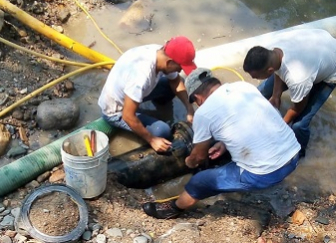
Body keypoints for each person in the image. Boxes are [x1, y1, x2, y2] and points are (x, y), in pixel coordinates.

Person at [142, 67, 300, 219]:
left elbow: (198, 156)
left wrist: (189, 162)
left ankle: (173, 209)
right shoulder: (244, 87)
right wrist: (224, 145)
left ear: (197, 97)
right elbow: (250, 121)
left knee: (201, 180)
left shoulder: (203, 114)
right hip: (293, 154)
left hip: (266, 173)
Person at [243, 29, 336, 157]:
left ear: (269, 70)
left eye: (255, 76)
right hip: (316, 45)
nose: (254, 79)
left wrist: (280, 125)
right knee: (262, 92)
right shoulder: (272, 48)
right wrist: (276, 95)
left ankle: (299, 152)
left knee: (299, 124)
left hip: (330, 70)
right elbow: (278, 69)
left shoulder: (297, 78)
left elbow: (297, 108)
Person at [98, 36, 197, 152]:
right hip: (117, 110)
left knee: (173, 85)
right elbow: (127, 116)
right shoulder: (141, 76)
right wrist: (152, 140)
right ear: (169, 62)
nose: (180, 70)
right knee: (162, 131)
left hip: (130, 93)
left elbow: (175, 81)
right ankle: (145, 124)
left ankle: (150, 105)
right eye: (179, 67)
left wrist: (189, 108)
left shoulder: (159, 53)